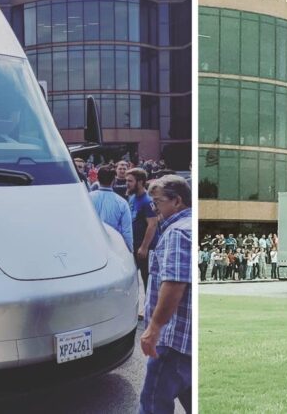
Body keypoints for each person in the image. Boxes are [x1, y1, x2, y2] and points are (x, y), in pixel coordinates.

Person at [139, 175, 192, 414]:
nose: (155, 208)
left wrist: (154, 328)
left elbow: (173, 284)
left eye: (158, 202)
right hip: (186, 340)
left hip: (173, 340)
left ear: (177, 201)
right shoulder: (188, 226)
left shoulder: (177, 232)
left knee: (152, 403)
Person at [127, 167, 158, 294]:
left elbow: (152, 224)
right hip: (135, 245)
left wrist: (144, 247)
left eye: (130, 181)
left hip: (146, 247)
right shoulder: (132, 197)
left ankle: (149, 309)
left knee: (147, 278)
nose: (127, 184)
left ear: (139, 182)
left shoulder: (147, 201)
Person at [89, 164, 133, 252]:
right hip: (113, 247)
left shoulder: (87, 198)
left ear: (97, 179)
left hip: (91, 243)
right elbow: (127, 231)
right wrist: (130, 250)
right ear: (114, 180)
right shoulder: (122, 202)